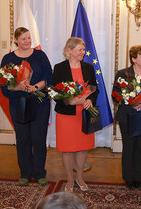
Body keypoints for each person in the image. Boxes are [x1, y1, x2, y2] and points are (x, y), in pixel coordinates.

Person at [0, 27, 52, 186]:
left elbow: (49, 76)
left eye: (29, 38)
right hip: (18, 104)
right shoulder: (8, 58)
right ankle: (25, 173)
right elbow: (4, 85)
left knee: (38, 139)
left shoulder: (40, 55)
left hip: (40, 104)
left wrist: (35, 87)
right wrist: (19, 88)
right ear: (15, 40)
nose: (27, 41)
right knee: (22, 139)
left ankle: (39, 173)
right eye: (23, 38)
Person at [52, 37, 98, 192]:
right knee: (68, 148)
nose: (83, 53)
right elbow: (54, 92)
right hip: (66, 115)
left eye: (83, 50)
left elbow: (94, 88)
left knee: (82, 148)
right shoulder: (59, 68)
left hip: (83, 114)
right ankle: (70, 181)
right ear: (69, 50)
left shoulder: (88, 67)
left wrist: (90, 100)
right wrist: (70, 101)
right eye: (79, 49)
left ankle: (80, 178)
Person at [112, 45, 141, 189]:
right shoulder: (122, 73)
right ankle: (128, 177)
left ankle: (138, 177)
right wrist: (131, 104)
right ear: (133, 59)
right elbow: (116, 95)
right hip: (128, 117)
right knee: (129, 147)